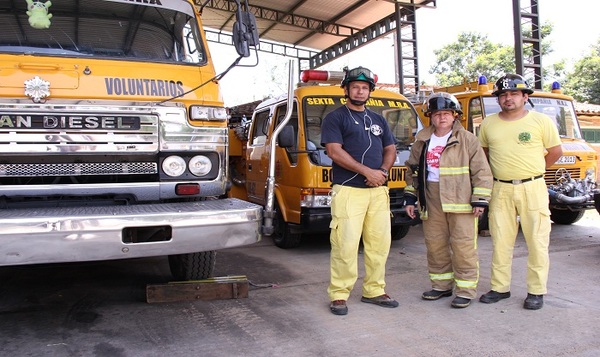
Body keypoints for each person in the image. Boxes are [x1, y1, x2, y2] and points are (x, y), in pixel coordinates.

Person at [478, 74, 563, 310]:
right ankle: (499, 287)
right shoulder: (488, 123)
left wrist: (535, 172)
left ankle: (536, 291)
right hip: (501, 188)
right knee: (501, 241)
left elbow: (555, 151)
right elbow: (484, 154)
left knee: (537, 241)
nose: (508, 98)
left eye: (514, 93)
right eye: (503, 94)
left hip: (533, 187)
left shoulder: (541, 121)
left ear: (525, 97)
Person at [321, 66, 399, 315]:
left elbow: (390, 149)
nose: (360, 90)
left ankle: (374, 290)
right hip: (348, 190)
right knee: (345, 244)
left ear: (370, 92)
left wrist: (383, 172)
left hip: (378, 191)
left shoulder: (378, 119)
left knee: (379, 243)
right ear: (346, 90)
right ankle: (339, 294)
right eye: (355, 86)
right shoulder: (335, 117)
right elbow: (334, 151)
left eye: (364, 88)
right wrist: (368, 172)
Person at [404, 92, 493, 308]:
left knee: (463, 246)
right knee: (435, 244)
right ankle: (441, 286)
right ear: (430, 117)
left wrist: (480, 199)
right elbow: (412, 169)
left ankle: (465, 290)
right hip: (431, 198)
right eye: (436, 114)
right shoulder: (422, 140)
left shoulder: (468, 139)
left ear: (455, 116)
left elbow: (482, 171)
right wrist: (409, 197)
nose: (441, 118)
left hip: (461, 200)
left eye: (446, 113)